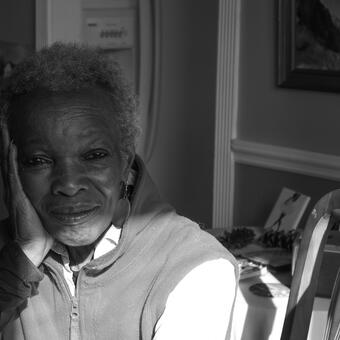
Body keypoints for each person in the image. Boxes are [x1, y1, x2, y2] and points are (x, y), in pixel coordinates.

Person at [0, 43, 238, 340]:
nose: (69, 184)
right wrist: (24, 256)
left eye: (94, 155)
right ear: (10, 169)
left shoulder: (195, 267)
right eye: (39, 160)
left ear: (125, 161)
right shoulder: (7, 256)